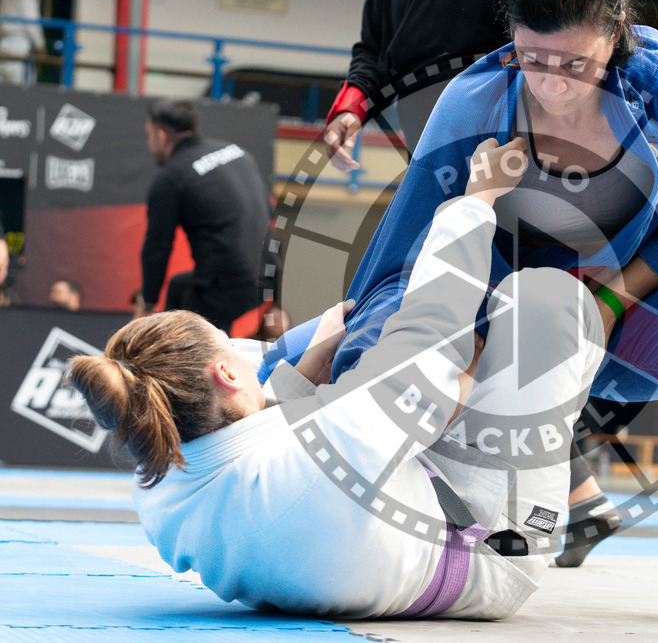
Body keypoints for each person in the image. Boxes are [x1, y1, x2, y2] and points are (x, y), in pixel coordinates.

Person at [264, 0, 658, 629]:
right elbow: (402, 255)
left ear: (617, 33)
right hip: (494, 325)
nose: (551, 82)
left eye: (575, 63)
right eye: (532, 57)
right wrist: (356, 350)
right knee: (358, 352)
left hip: (621, 312)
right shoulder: (474, 101)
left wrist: (618, 294)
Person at [70, 140, 606, 619]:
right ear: (228, 372)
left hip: (344, 529)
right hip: (493, 553)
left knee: (349, 344)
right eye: (230, 345)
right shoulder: (324, 454)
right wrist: (478, 200)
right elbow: (430, 330)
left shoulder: (159, 483)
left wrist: (303, 376)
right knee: (545, 299)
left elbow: (251, 464)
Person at [324, 0, 509, 168]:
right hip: (417, 125)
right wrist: (350, 108)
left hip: (484, 123)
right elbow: (375, 47)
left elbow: (526, 41)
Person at [138, 99, 274, 332]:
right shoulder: (236, 152)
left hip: (228, 287)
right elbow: (266, 215)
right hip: (269, 276)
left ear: (160, 136)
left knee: (184, 337)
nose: (149, 142)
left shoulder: (171, 177)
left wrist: (147, 305)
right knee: (179, 288)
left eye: (149, 134)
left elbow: (157, 249)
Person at [0, 0, 45, 85]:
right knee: (21, 90)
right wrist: (41, 46)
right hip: (19, 45)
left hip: (3, 44)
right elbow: (32, 23)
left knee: (3, 91)